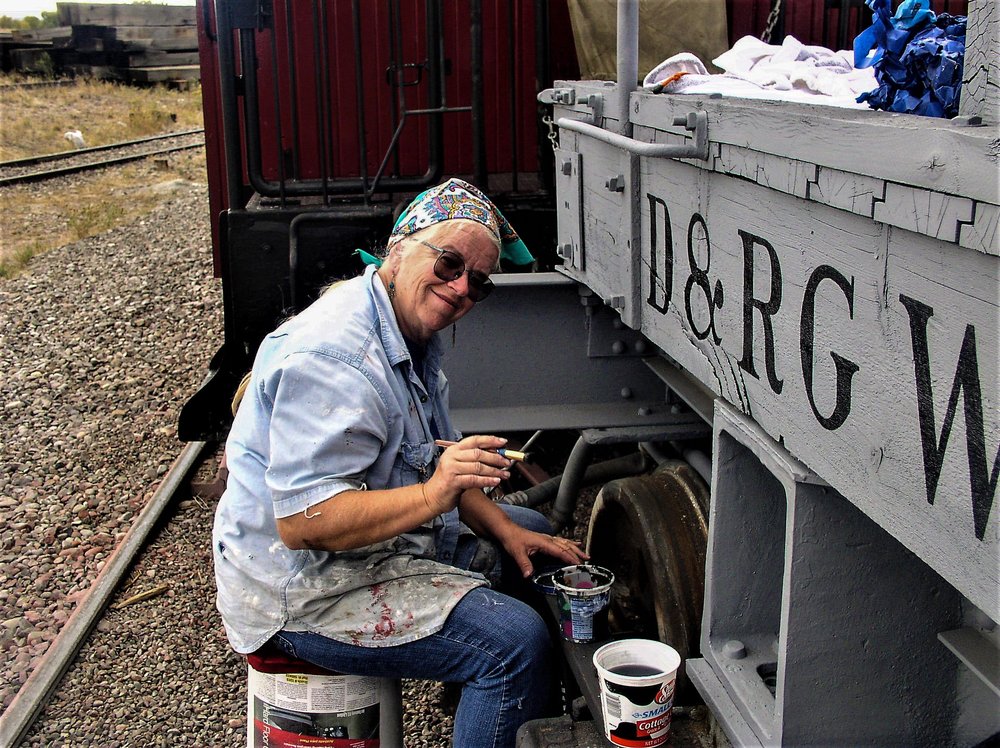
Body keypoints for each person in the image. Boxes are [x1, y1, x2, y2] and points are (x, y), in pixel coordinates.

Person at [213, 178, 588, 748]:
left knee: (533, 534)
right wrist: (435, 495)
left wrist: (506, 527)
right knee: (513, 646)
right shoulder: (339, 358)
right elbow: (302, 523)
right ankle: (498, 687)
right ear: (399, 246)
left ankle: (503, 709)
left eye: (478, 282)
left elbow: (434, 461)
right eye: (450, 262)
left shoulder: (405, 327)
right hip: (299, 591)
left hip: (360, 551)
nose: (461, 287)